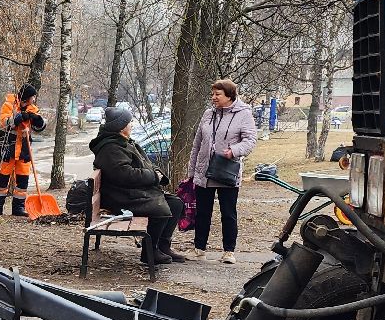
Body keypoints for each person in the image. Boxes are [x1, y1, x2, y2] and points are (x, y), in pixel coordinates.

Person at [89, 104, 185, 266]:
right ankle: (149, 252)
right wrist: (152, 176)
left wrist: (157, 175)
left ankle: (162, 246)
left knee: (176, 204)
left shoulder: (123, 143)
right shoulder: (111, 148)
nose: (131, 125)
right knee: (160, 210)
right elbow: (123, 175)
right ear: (121, 127)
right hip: (120, 196)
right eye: (129, 122)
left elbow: (143, 163)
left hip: (129, 191)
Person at [186, 78, 258, 263]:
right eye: (213, 94)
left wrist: (234, 151)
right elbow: (197, 143)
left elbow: (250, 141)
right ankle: (199, 248)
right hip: (204, 171)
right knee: (203, 212)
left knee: (228, 212)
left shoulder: (243, 114)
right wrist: (192, 171)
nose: (214, 97)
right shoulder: (208, 114)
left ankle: (229, 252)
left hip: (227, 171)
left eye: (218, 94)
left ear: (229, 95)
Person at [0, 83, 48, 216]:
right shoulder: (9, 105)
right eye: (32, 97)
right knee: (2, 180)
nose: (34, 99)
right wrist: (18, 118)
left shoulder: (32, 109)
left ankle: (18, 208)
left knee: (22, 181)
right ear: (25, 98)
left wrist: (38, 120)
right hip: (8, 147)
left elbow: (40, 127)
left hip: (24, 149)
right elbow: (4, 122)